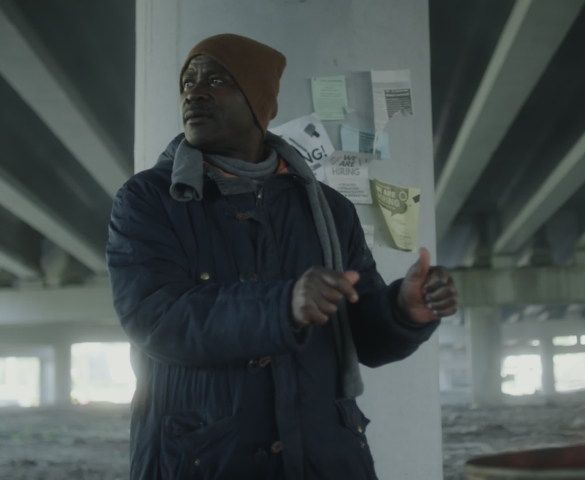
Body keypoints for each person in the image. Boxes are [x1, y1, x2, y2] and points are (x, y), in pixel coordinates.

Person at [106, 33, 458, 480]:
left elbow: (359, 334)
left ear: (258, 100)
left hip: (323, 459)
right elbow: (155, 318)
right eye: (189, 82)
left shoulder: (329, 208)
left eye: (216, 80)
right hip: (202, 460)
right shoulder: (149, 199)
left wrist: (403, 310)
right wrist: (283, 305)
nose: (195, 92)